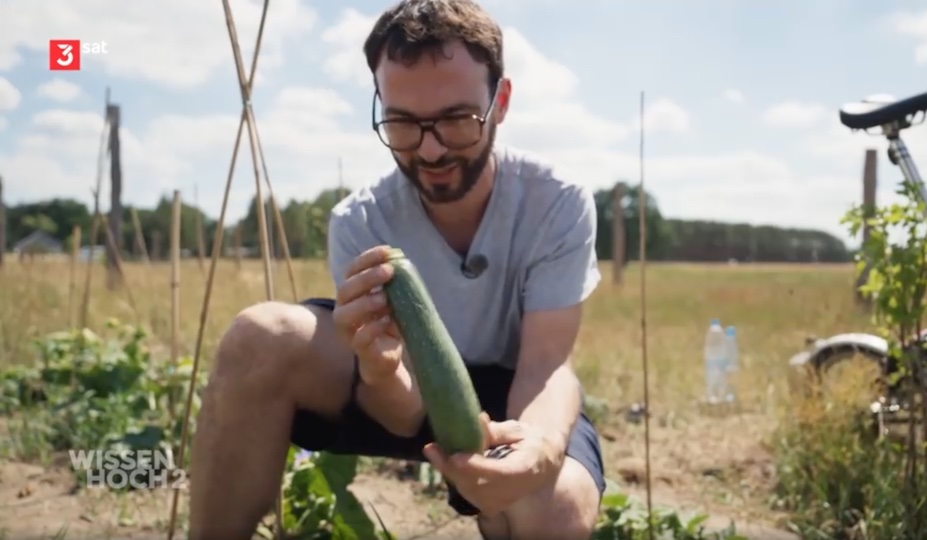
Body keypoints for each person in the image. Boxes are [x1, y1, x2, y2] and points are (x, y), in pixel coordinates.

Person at [187, 0, 605, 538]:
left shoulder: (557, 203)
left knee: (558, 509)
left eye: (456, 120)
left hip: (514, 392)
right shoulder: (359, 222)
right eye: (403, 123)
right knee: (260, 337)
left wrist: (538, 455)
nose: (430, 151)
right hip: (398, 390)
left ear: (500, 102)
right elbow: (402, 416)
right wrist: (382, 371)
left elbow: (545, 364)